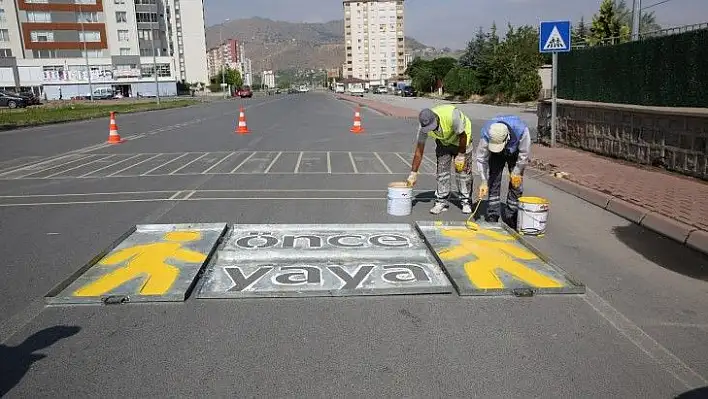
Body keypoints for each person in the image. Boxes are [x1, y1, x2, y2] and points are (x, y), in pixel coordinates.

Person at [406, 105, 475, 215]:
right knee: (442, 172)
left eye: (432, 126)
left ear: (436, 118)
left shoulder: (452, 116)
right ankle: (441, 201)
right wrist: (413, 173)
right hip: (444, 143)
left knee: (463, 173)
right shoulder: (423, 128)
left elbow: (463, 136)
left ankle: (466, 201)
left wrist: (461, 155)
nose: (431, 129)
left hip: (462, 141)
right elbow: (419, 150)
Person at [475, 115, 532, 225]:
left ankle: (512, 213)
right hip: (496, 155)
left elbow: (524, 154)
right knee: (493, 179)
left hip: (514, 151)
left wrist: (517, 171)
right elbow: (481, 159)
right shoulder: (487, 133)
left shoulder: (521, 129)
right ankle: (493, 213)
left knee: (516, 183)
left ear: (507, 137)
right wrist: (483, 180)